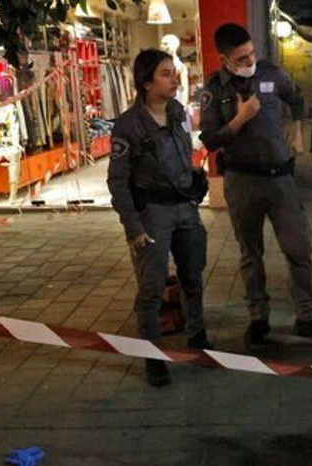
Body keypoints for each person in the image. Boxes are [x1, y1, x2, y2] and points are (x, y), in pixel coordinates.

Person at [199, 23, 312, 347]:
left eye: (252, 54)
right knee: (250, 253)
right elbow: (209, 139)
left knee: (299, 249)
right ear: (225, 59)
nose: (250, 61)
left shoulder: (272, 74)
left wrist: (296, 127)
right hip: (242, 180)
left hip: (281, 180)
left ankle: (306, 315)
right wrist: (238, 120)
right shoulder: (214, 90)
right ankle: (259, 318)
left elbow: (298, 98)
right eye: (242, 58)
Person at [107, 49, 211, 387]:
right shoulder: (128, 125)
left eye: (173, 72)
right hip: (152, 213)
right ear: (147, 82)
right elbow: (118, 180)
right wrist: (132, 226)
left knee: (192, 277)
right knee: (151, 289)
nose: (174, 78)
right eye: (166, 73)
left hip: (185, 208)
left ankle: (197, 340)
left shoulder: (178, 111)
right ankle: (153, 356)